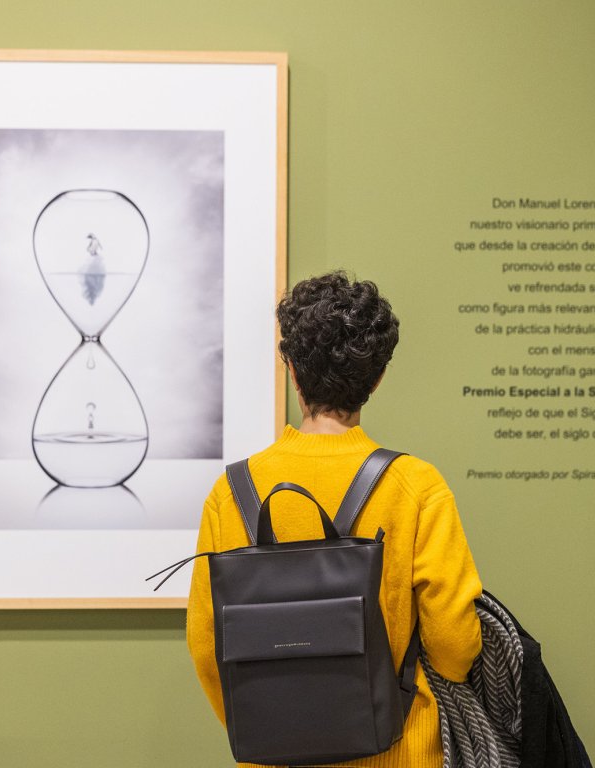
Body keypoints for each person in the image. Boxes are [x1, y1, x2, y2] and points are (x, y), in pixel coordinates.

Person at [186, 271, 483, 768]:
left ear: (291, 370)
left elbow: (205, 647)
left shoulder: (231, 492)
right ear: (377, 378)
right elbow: (454, 646)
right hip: (399, 753)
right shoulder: (415, 484)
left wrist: (277, 728)